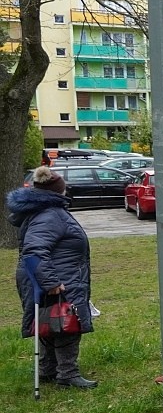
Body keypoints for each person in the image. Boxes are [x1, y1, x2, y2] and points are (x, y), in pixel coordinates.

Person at [7, 166, 98, 388]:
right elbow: (35, 250)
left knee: (48, 321)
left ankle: (48, 369)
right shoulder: (50, 215)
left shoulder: (41, 211)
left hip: (48, 275)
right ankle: (67, 374)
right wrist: (51, 283)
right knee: (66, 323)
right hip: (56, 277)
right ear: (58, 192)